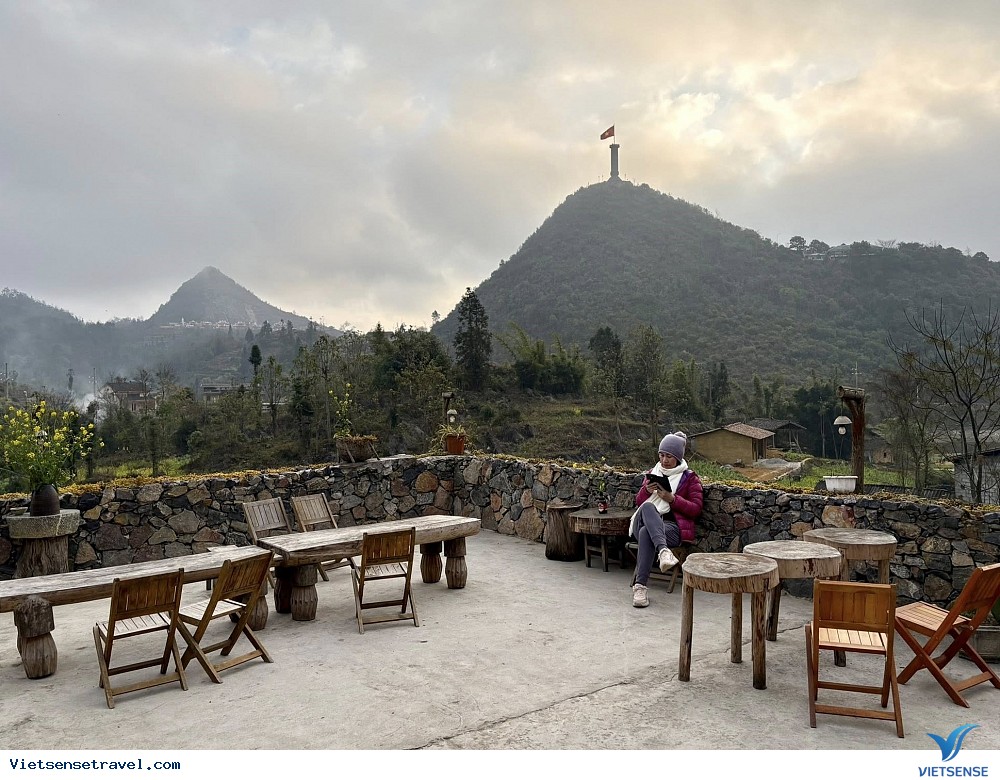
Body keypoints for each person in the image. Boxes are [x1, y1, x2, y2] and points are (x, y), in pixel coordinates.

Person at [629, 431, 703, 608]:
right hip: (647, 518)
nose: (664, 460)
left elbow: (695, 509)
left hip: (672, 527)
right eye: (661, 455)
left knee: (646, 532)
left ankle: (640, 588)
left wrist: (673, 500)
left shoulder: (690, 478)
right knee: (647, 506)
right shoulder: (652, 473)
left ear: (677, 457)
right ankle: (663, 551)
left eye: (669, 456)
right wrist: (646, 491)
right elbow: (639, 502)